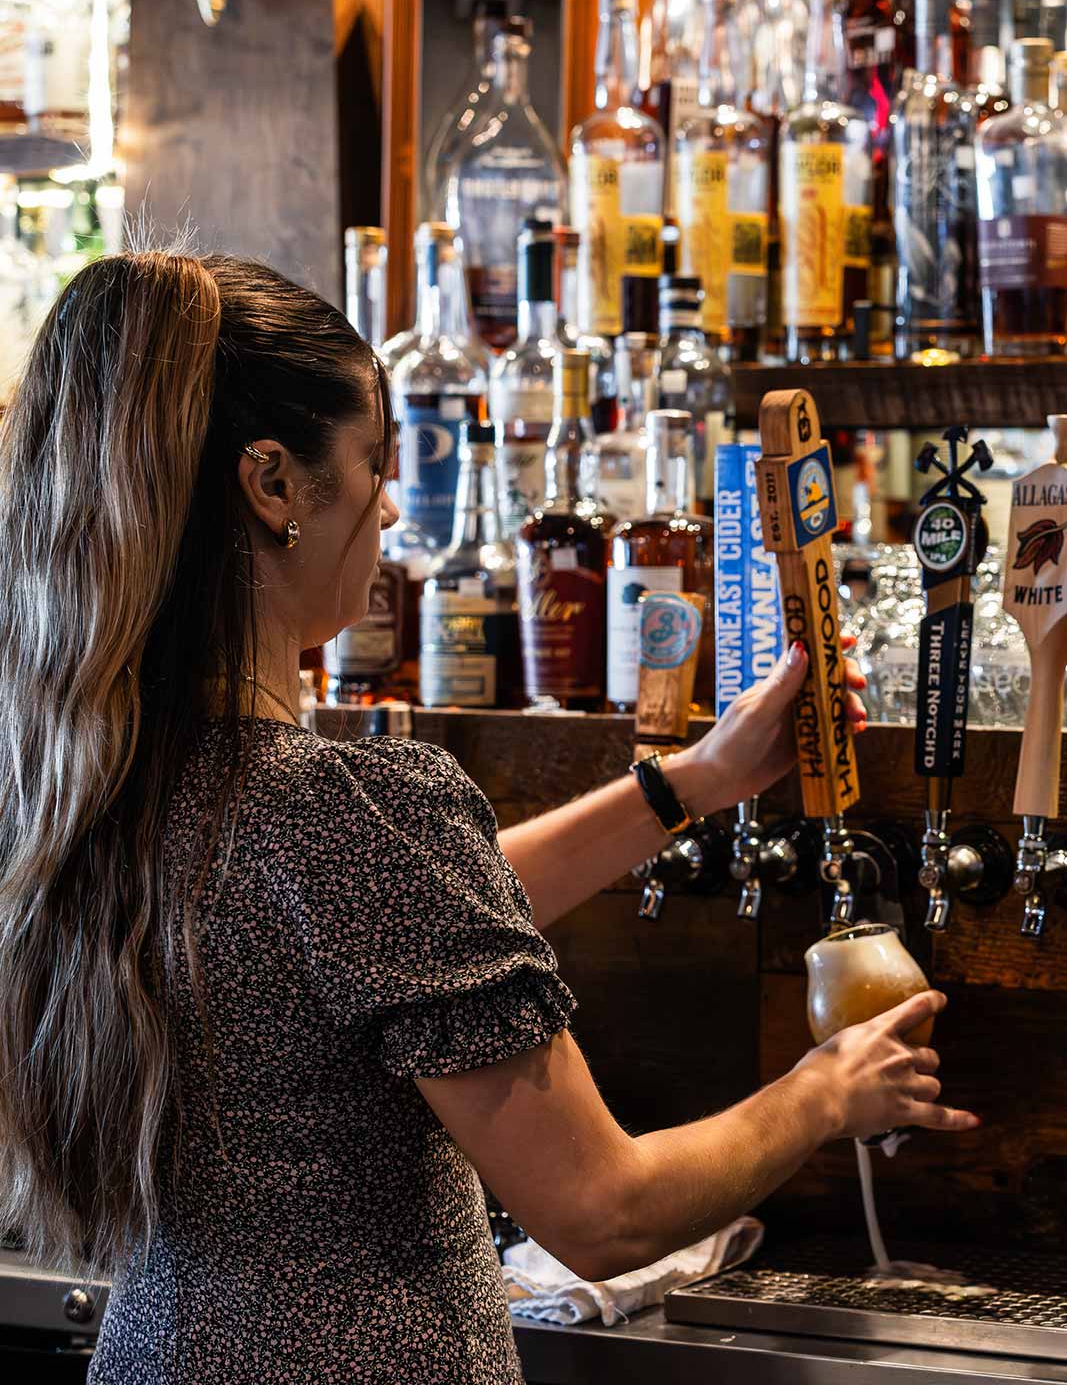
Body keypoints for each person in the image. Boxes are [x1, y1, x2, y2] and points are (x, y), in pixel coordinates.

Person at [0, 251, 979, 1385]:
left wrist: (691, 781)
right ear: (271, 484)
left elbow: (399, 925)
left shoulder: (84, 781)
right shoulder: (349, 810)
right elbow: (602, 1212)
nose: (382, 508)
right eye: (373, 463)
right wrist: (822, 1092)